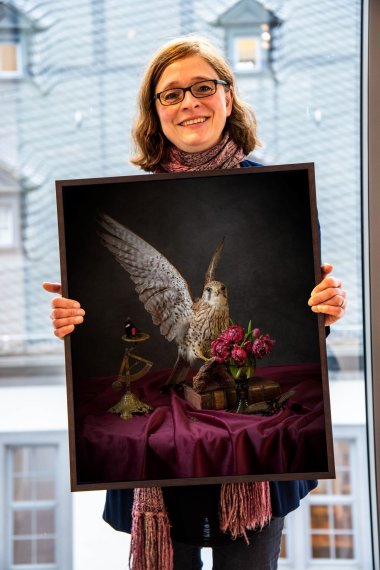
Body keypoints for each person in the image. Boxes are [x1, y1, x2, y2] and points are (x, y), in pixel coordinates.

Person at [43, 37, 346, 570]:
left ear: (228, 97)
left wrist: (325, 309)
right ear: (154, 111)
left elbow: (302, 328)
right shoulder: (124, 196)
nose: (189, 103)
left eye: (203, 87)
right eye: (171, 94)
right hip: (159, 473)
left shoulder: (284, 195)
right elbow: (106, 326)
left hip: (252, 475)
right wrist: (76, 322)